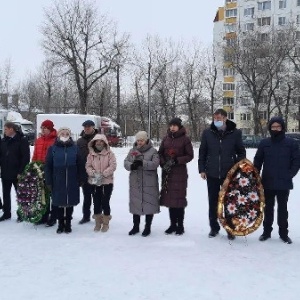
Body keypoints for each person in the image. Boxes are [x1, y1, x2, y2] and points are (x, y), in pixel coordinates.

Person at [198, 109, 246, 240]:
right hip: (212, 173)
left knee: (229, 202)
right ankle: (214, 228)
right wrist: (202, 169)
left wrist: (236, 167)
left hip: (228, 175)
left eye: (219, 118)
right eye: (215, 118)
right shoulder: (208, 133)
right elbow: (202, 152)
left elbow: (241, 152)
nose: (216, 121)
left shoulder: (235, 133)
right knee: (213, 202)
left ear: (225, 118)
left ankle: (230, 228)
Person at [254, 116, 300, 244]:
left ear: (282, 128)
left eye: (278, 127)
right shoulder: (264, 143)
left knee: (282, 209)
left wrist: (290, 174)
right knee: (268, 208)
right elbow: (258, 160)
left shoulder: (291, 143)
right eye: (273, 127)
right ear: (270, 128)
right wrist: (255, 175)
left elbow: (296, 161)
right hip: (267, 181)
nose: (275, 129)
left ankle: (284, 234)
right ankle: (266, 232)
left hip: (283, 182)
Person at [45, 127, 84, 234]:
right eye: (63, 133)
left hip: (72, 179)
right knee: (59, 203)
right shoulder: (52, 148)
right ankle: (60, 224)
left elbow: (80, 164)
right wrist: (48, 180)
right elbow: (48, 166)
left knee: (69, 203)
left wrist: (81, 178)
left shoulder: (75, 148)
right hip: (58, 179)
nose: (65, 135)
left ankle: (68, 224)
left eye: (67, 133)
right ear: (58, 135)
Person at [158, 118, 194, 235]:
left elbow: (190, 155)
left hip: (179, 173)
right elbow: (160, 153)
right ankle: (172, 224)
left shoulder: (185, 139)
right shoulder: (166, 139)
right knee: (170, 200)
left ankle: (180, 225)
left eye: (175, 126)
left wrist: (177, 160)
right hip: (168, 173)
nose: (172, 128)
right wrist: (164, 162)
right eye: (171, 125)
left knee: (179, 200)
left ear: (179, 127)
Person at [124, 131, 160, 237]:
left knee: (149, 204)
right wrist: (132, 166)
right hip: (136, 182)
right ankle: (135, 227)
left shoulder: (153, 151)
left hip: (149, 182)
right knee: (136, 204)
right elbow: (126, 162)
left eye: (142, 140)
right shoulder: (132, 151)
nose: (139, 142)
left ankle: (147, 227)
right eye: (138, 140)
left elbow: (155, 164)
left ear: (146, 140)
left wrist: (143, 163)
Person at [86, 134, 116, 232]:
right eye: (97, 141)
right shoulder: (91, 154)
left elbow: (113, 165)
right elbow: (88, 166)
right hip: (94, 181)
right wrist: (93, 173)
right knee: (96, 202)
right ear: (94, 143)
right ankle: (98, 222)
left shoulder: (110, 154)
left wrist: (104, 173)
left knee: (105, 201)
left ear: (104, 142)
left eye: (101, 141)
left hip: (107, 182)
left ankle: (106, 222)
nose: (99, 143)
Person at [0, 122, 30, 222]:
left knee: (20, 194)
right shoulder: (3, 141)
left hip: (17, 173)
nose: (4, 131)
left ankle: (21, 213)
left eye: (5, 129)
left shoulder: (22, 140)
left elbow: (25, 157)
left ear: (11, 129)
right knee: (5, 194)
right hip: (5, 172)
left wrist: (21, 171)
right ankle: (7, 213)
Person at [32, 119, 57, 226]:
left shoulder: (56, 140)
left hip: (52, 170)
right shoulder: (39, 140)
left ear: (50, 129)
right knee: (42, 194)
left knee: (53, 194)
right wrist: (33, 165)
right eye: (42, 128)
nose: (43, 130)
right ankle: (44, 215)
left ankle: (54, 216)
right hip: (39, 169)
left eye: (45, 128)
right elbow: (35, 155)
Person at [77, 120, 98, 224]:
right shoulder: (80, 141)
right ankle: (86, 216)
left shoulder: (99, 139)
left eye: (89, 126)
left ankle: (98, 216)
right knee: (86, 196)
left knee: (97, 195)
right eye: (85, 127)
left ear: (93, 127)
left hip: (96, 172)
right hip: (84, 172)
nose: (87, 128)